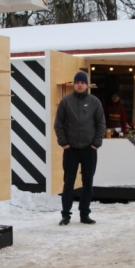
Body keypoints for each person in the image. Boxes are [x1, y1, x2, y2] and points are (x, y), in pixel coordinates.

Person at [54, 71, 105, 226]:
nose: (80, 85)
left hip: (89, 149)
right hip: (71, 150)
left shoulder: (94, 102)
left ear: (86, 84)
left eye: (82, 82)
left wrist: (96, 144)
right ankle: (65, 215)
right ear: (74, 84)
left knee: (87, 183)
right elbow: (58, 124)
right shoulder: (66, 102)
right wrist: (64, 143)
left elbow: (101, 124)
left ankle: (85, 214)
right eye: (77, 82)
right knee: (68, 183)